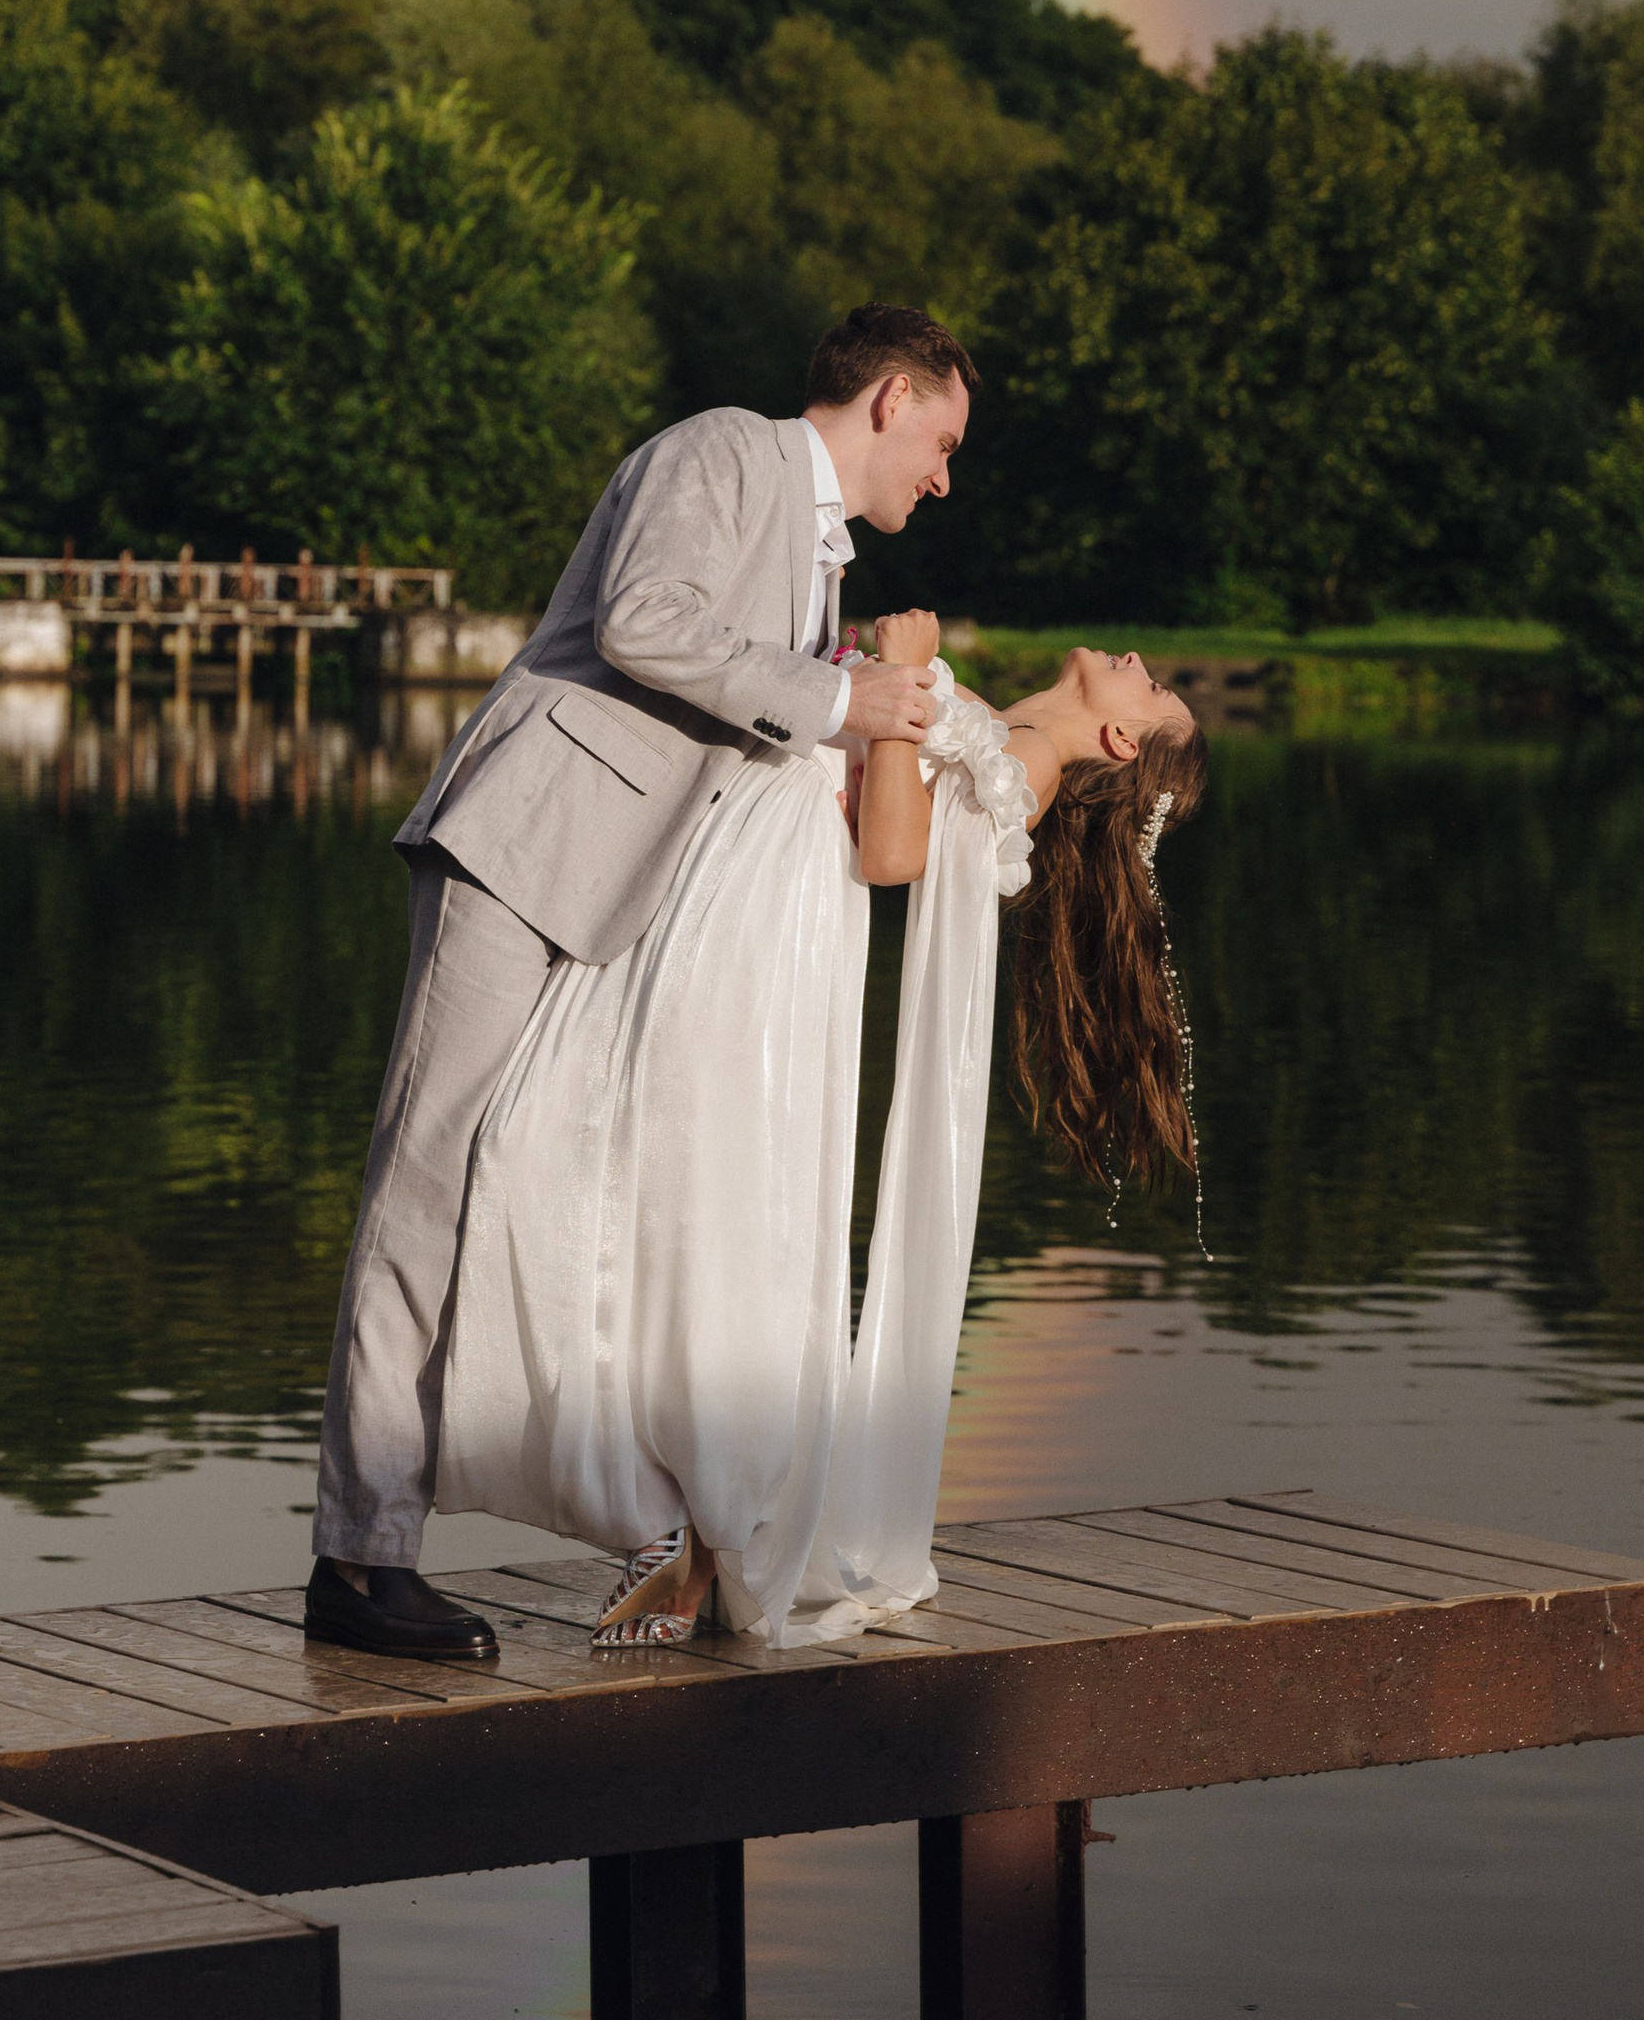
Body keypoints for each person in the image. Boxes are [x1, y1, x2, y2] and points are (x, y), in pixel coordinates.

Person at [304, 304, 979, 1663]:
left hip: (624, 899)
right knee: (426, 1185)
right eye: (945, 442)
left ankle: (621, 1507)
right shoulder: (726, 453)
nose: (945, 477)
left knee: (531, 1192)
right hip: (527, 846)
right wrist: (844, 704)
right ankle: (358, 1565)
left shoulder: (819, 560)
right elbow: (643, 624)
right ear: (892, 397)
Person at [435, 616, 1203, 1646]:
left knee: (644, 1173)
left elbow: (890, 852)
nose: (1140, 661)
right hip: (737, 884)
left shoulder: (1028, 756)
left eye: (1152, 690)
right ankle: (678, 1514)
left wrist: (888, 685)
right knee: (634, 1170)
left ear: (1118, 744)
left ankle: (685, 1515)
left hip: (768, 921)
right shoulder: (1004, 731)